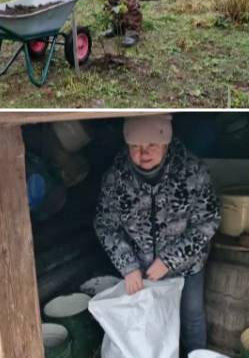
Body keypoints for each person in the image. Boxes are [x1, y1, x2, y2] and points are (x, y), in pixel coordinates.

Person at [94, 115, 221, 354]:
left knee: (191, 316)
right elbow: (105, 225)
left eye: (152, 145)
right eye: (135, 146)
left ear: (166, 143)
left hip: (187, 267)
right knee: (148, 321)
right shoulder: (115, 178)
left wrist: (169, 260)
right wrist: (128, 266)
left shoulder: (192, 171)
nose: (143, 154)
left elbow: (208, 220)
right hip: (139, 270)